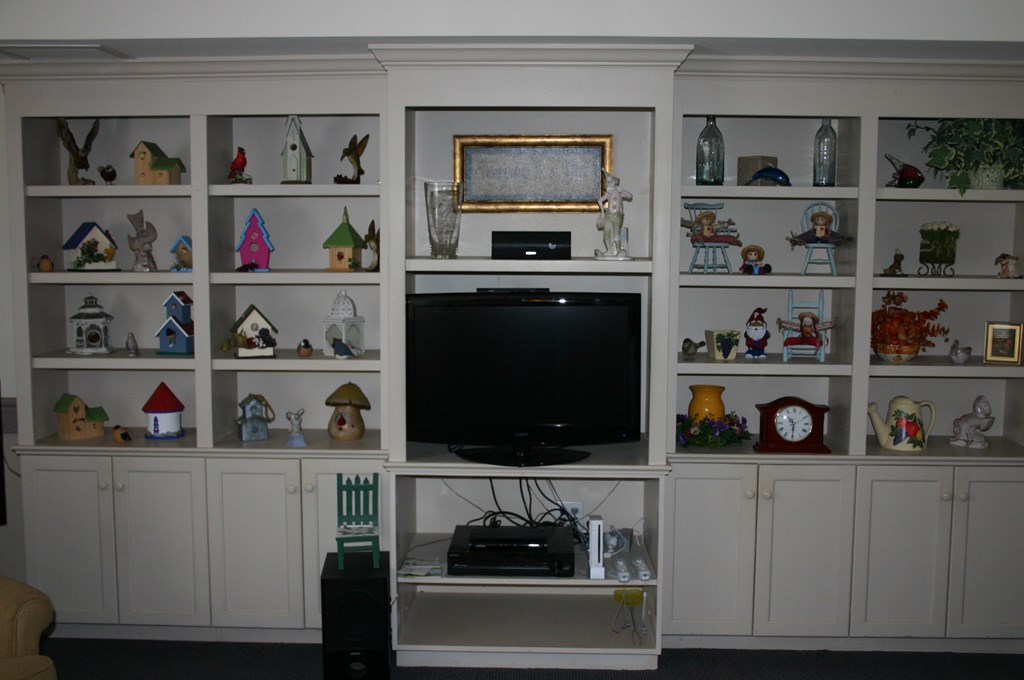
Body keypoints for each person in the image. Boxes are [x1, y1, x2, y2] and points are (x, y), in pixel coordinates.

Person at [595, 172, 633, 257]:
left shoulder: (619, 193)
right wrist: (602, 212)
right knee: (606, 234)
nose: (610, 183)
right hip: (608, 215)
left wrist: (622, 190)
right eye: (608, 182)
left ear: (615, 182)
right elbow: (599, 201)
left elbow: (630, 196)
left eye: (611, 181)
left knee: (616, 234)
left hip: (617, 216)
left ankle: (618, 251)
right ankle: (609, 250)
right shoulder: (608, 193)